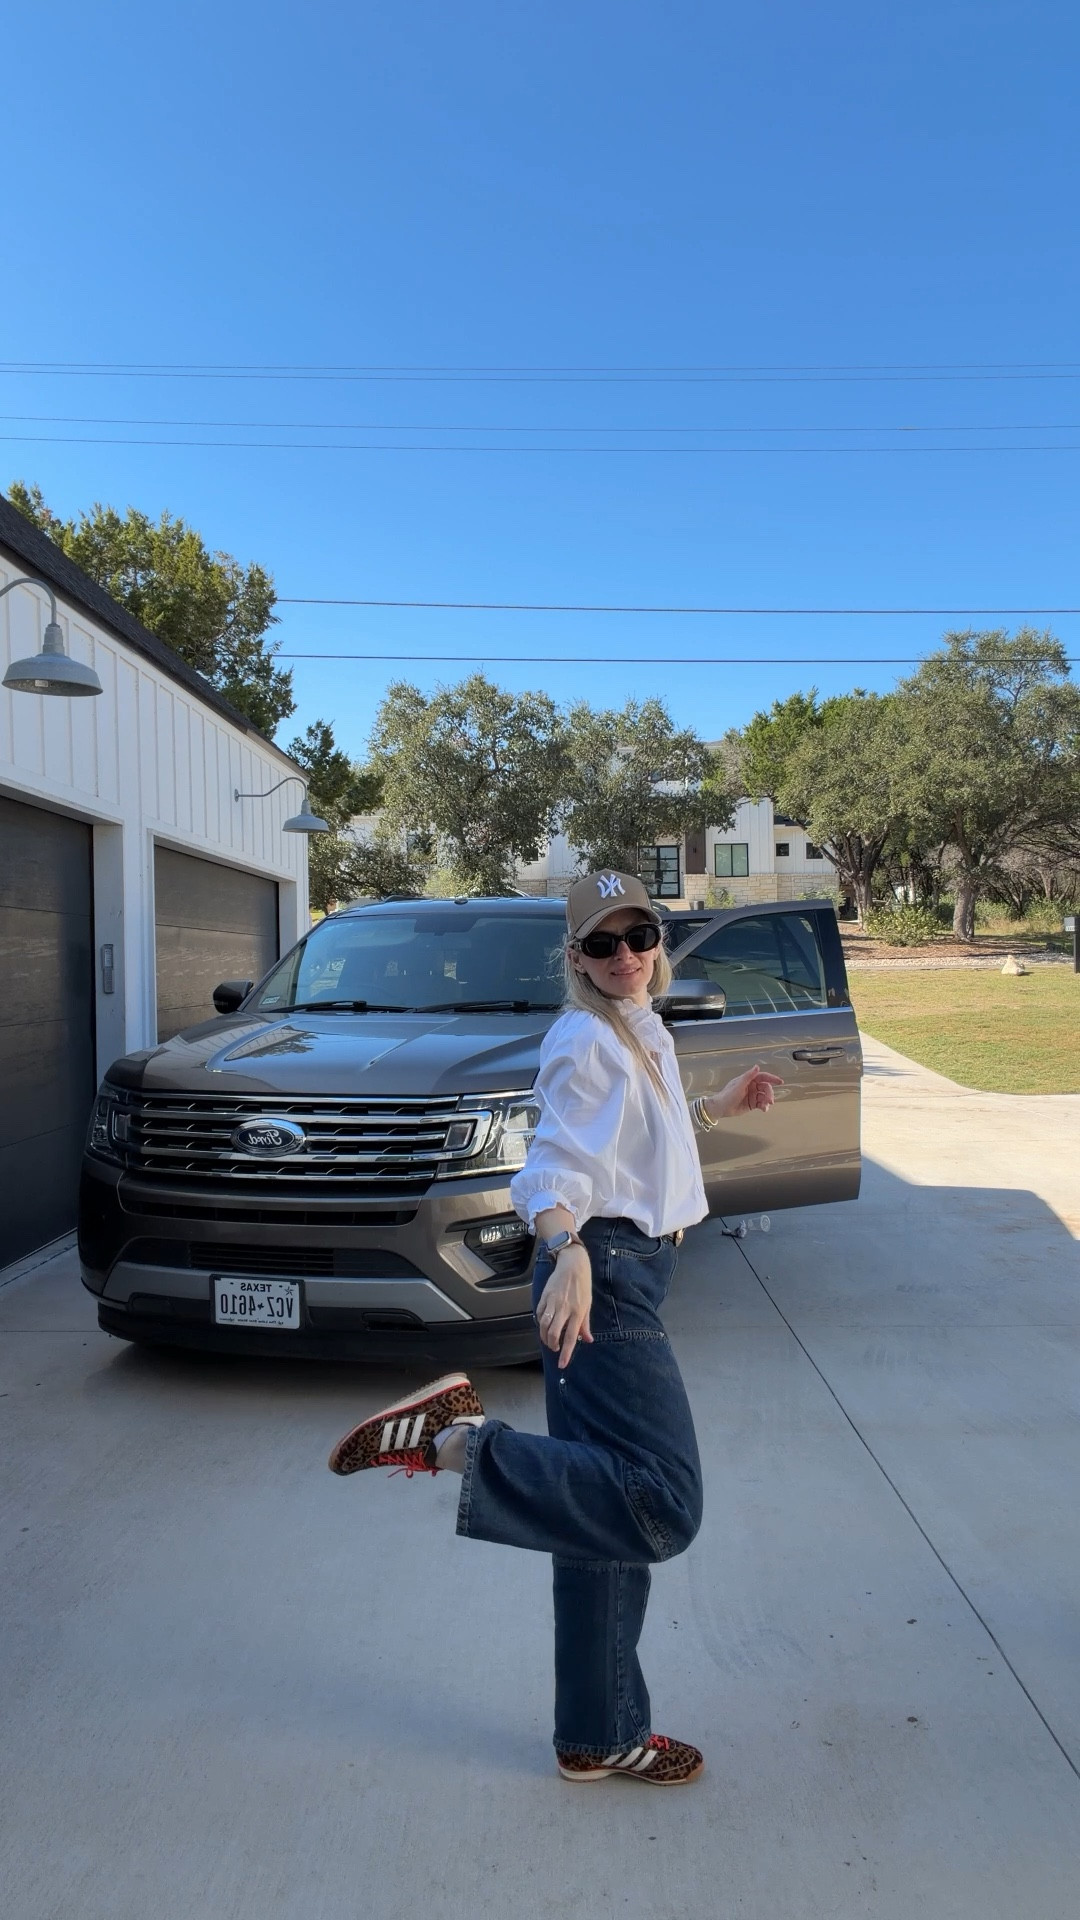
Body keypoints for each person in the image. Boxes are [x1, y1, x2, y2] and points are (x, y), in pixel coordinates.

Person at [327, 870, 782, 1786]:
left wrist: (718, 1106)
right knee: (664, 1501)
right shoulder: (584, 1039)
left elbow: (633, 1145)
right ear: (574, 957)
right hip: (603, 1273)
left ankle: (596, 1733)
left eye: (639, 936)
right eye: (603, 944)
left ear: (657, 940)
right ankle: (454, 1439)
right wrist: (565, 1244)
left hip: (621, 1264)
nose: (626, 956)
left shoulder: (637, 1024)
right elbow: (555, 1163)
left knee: (599, 1516)